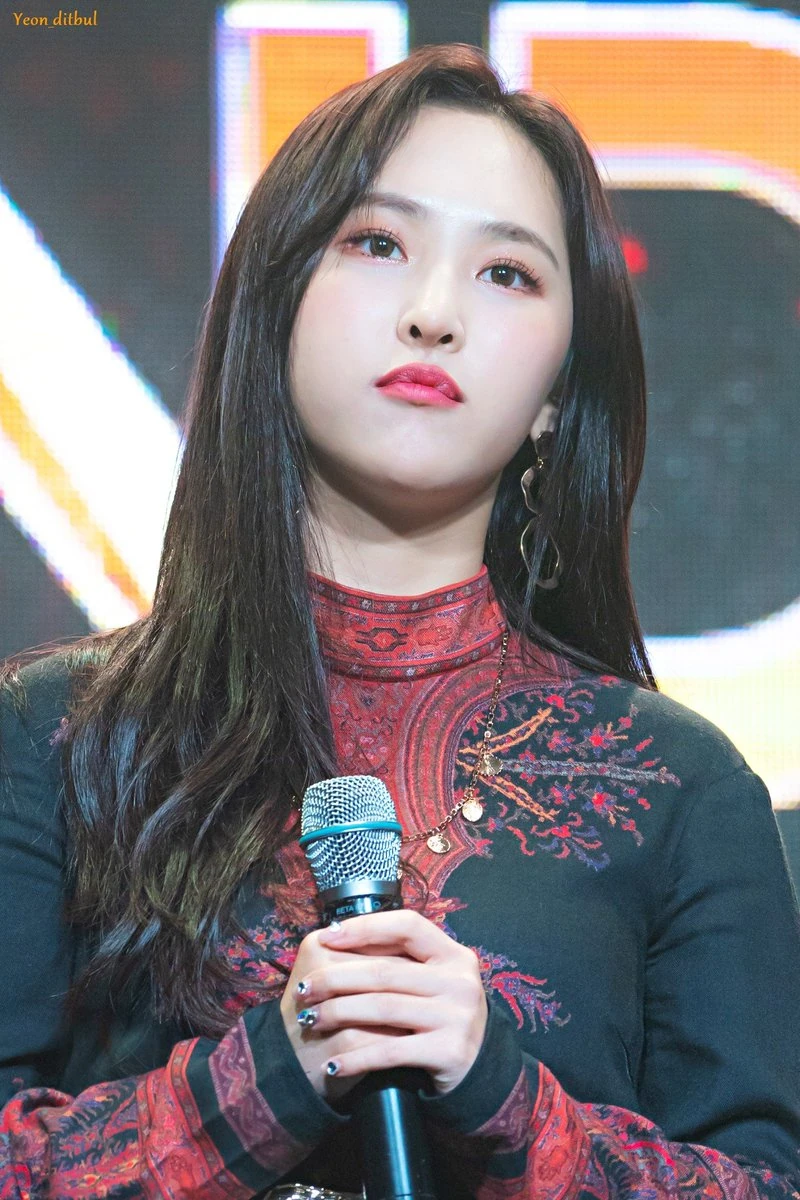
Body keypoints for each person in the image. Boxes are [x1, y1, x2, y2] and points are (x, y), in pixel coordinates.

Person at [0, 41, 798, 1200]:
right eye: (378, 244)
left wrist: (501, 1096)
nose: (432, 315)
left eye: (506, 273)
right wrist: (278, 1069)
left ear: (555, 395)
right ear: (276, 305)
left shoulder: (681, 788)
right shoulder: (53, 736)